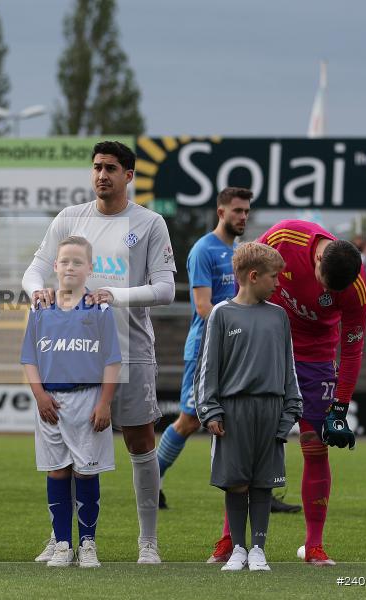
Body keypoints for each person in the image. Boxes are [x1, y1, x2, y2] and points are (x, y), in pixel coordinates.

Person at [23, 141, 176, 564]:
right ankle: (63, 541)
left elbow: (166, 289)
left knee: (140, 440)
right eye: (96, 167)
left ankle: (148, 542)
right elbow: (35, 268)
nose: (101, 174)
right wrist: (38, 293)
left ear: (129, 175)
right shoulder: (70, 218)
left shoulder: (149, 223)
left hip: (129, 351)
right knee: (67, 450)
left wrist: (114, 296)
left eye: (111, 168)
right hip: (73, 357)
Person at [210, 220, 366, 566]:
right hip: (263, 344)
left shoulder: (355, 286)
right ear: (317, 261)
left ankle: (314, 547)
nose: (327, 296)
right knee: (244, 442)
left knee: (315, 445)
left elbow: (353, 349)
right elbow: (247, 272)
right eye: (324, 286)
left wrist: (340, 407)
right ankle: (230, 540)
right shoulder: (286, 237)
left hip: (315, 359)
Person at [196, 242, 303, 572]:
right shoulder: (222, 314)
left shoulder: (279, 316)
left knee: (262, 483)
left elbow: (289, 368)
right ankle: (238, 548)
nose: (278, 283)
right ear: (253, 276)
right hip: (233, 412)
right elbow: (208, 368)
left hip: (270, 412)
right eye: (274, 277)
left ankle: (258, 549)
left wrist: (290, 411)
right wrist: (210, 410)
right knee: (236, 482)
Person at [20, 236, 121, 568]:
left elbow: (112, 360)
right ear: (55, 266)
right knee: (57, 472)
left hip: (88, 398)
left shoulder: (99, 309)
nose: (70, 267)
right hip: (51, 402)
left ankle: (88, 543)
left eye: (78, 262)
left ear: (90, 268)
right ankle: (62, 544)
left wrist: (105, 402)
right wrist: (39, 396)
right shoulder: (41, 308)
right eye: (65, 261)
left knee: (87, 473)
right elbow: (29, 359)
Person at [157, 187, 250, 509]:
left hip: (233, 346)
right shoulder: (203, 250)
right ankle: (150, 478)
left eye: (246, 211)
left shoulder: (239, 250)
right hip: (206, 349)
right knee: (190, 420)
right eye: (237, 210)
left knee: (238, 417)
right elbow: (202, 306)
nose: (243, 217)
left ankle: (252, 488)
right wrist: (241, 328)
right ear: (221, 212)